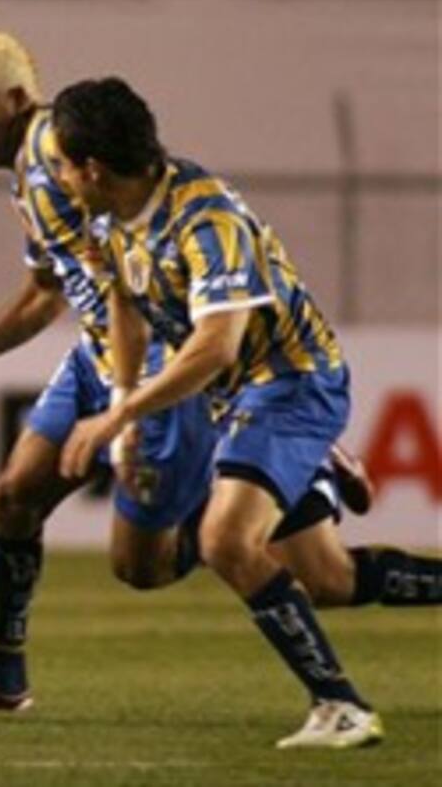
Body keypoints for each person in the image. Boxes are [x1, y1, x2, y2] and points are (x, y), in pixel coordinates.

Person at [0, 30, 382, 720]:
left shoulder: (58, 151)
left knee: (144, 569)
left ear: (17, 100)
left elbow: (163, 267)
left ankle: (302, 481)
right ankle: (3, 680)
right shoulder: (30, 180)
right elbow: (48, 290)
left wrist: (134, 406)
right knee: (13, 497)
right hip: (99, 359)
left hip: (162, 360)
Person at [54, 76, 442, 748]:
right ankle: (315, 468)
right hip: (238, 398)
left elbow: (216, 344)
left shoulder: (207, 221)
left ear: (92, 167)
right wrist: (124, 402)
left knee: (225, 540)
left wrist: (113, 420)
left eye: (61, 164)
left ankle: (340, 706)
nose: (56, 177)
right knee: (328, 580)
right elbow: (124, 303)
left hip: (292, 383)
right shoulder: (112, 219)